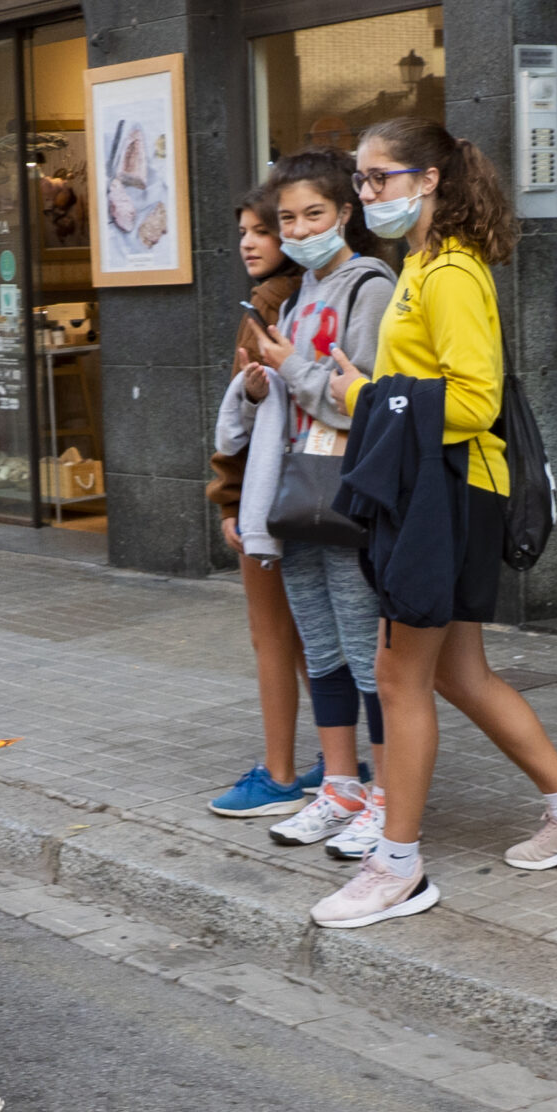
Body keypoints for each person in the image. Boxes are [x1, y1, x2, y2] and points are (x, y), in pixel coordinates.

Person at [314, 117, 557, 929]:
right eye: (359, 178)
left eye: (379, 177)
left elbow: (475, 401)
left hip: (446, 494)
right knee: (458, 673)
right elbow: (428, 385)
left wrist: (365, 395)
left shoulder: (449, 270)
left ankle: (398, 868)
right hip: (443, 489)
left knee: (399, 679)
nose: (365, 193)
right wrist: (370, 389)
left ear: (429, 180)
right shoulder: (422, 263)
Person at [217, 150, 395, 856]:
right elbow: (291, 398)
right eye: (287, 218)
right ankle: (340, 787)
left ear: (346, 212)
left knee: (364, 651)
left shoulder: (370, 286)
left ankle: (386, 796)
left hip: (346, 495)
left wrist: (290, 365)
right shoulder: (293, 299)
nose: (298, 230)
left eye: (313, 214)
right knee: (321, 650)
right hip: (294, 494)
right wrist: (260, 387)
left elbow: (365, 399)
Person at [204, 187, 322, 820]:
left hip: (271, 494)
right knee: (310, 637)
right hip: (318, 488)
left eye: (262, 230)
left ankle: (279, 775)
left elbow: (240, 424)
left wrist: (227, 502)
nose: (249, 243)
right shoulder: (325, 291)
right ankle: (338, 760)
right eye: (244, 232)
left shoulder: (270, 303)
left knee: (272, 637)